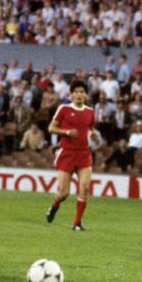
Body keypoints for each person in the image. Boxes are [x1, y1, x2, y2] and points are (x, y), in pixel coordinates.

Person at [45, 79, 99, 231]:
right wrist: (66, 132)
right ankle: (55, 205)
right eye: (76, 92)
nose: (79, 95)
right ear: (71, 94)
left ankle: (77, 223)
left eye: (82, 92)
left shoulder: (90, 112)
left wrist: (93, 134)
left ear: (86, 95)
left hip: (84, 154)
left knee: (84, 188)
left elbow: (91, 127)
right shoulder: (64, 109)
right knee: (63, 193)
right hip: (67, 153)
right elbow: (51, 128)